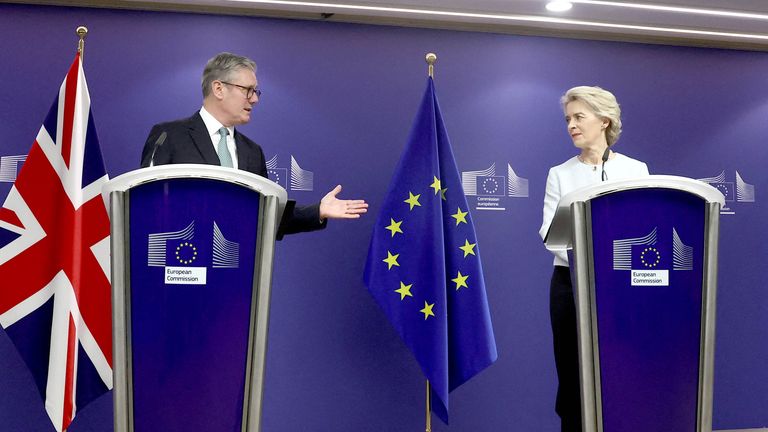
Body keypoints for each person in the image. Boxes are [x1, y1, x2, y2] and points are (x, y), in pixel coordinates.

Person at [140, 52, 367, 238]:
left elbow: (267, 218)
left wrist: (318, 211)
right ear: (218, 88)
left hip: (236, 271)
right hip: (179, 263)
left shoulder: (252, 151)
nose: (255, 99)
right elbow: (146, 205)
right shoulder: (169, 135)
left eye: (255, 91)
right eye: (247, 90)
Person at [539, 86, 649, 431]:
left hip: (622, 288)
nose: (571, 125)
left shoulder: (637, 170)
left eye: (578, 117)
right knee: (573, 375)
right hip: (571, 286)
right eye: (568, 119)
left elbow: (645, 227)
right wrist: (593, 258)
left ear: (604, 121)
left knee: (623, 371)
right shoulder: (560, 173)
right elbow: (550, 236)